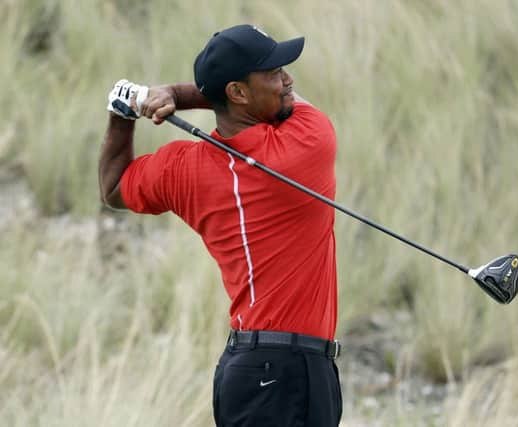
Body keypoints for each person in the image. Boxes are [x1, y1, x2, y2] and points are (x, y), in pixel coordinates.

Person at [98, 24, 342, 426]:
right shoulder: (305, 143)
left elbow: (112, 187)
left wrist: (122, 112)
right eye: (274, 73)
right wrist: (176, 93)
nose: (287, 80)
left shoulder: (182, 168)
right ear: (238, 93)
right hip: (289, 371)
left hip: (246, 370)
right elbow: (294, 102)